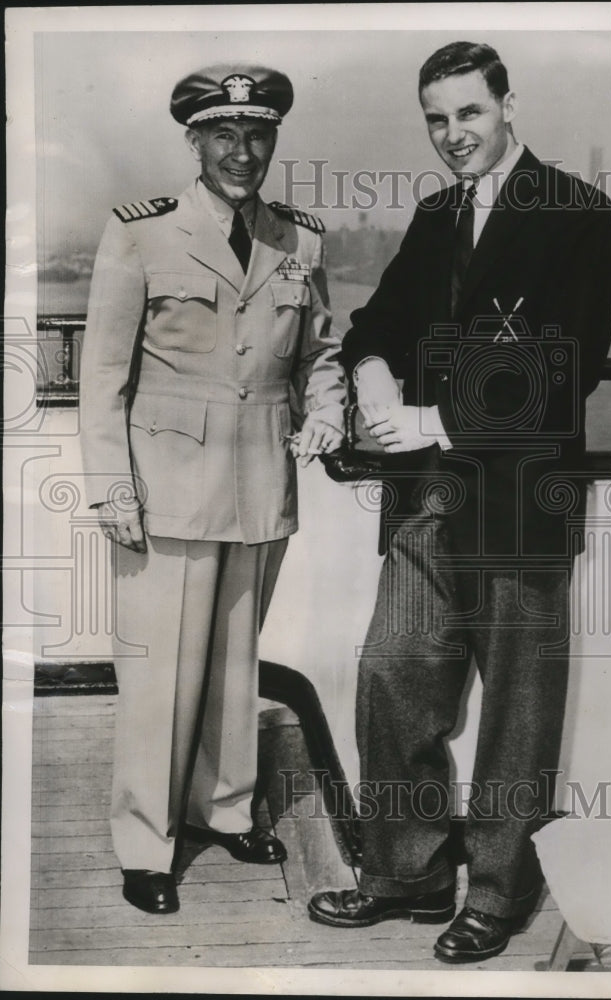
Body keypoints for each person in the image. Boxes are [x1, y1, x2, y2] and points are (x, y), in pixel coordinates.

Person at [309, 41, 611, 963]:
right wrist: (367, 373)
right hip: (425, 505)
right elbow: (380, 321)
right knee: (392, 676)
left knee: (518, 714)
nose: (453, 135)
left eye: (469, 113)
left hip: (520, 503)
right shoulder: (438, 214)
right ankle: (404, 875)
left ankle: (495, 890)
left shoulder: (575, 211)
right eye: (437, 119)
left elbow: (569, 369)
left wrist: (434, 418)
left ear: (508, 105)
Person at [79, 63, 345, 915]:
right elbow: (103, 379)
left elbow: (319, 355)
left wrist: (329, 412)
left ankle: (224, 808)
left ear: (273, 140)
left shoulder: (301, 239)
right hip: (162, 488)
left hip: (261, 482)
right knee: (160, 677)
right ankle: (144, 843)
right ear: (194, 141)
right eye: (224, 134)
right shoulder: (141, 233)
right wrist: (112, 490)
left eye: (257, 134)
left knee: (235, 666)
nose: (243, 151)